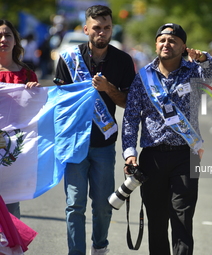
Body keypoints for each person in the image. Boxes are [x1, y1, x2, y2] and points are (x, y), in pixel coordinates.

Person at [122, 23, 212, 255]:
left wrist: (203, 57)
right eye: (162, 40)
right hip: (152, 157)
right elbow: (130, 118)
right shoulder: (143, 77)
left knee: (182, 219)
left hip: (186, 155)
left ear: (183, 46)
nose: (166, 44)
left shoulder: (194, 72)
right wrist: (129, 153)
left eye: (173, 40)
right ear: (156, 44)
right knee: (156, 222)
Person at [54, 5, 135, 255]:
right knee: (74, 204)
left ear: (112, 29)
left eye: (107, 27)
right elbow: (57, 102)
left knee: (102, 205)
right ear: (86, 28)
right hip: (74, 142)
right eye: (97, 28)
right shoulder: (68, 60)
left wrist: (108, 88)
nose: (102, 32)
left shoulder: (122, 60)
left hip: (103, 143)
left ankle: (99, 246)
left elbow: (126, 102)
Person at [0, 19, 40, 219]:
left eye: (8, 35)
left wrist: (35, 94)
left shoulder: (27, 74)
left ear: (15, 40)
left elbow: (36, 114)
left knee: (10, 210)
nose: (3, 39)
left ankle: (10, 248)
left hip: (12, 150)